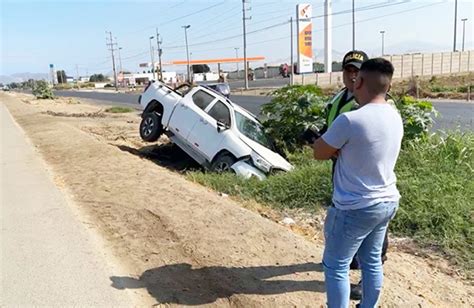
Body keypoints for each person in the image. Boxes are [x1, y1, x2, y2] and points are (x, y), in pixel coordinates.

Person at [312, 58, 403, 307]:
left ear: (360, 81)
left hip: (355, 206)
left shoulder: (351, 120)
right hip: (386, 201)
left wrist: (326, 144)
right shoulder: (395, 117)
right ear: (388, 86)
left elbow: (319, 152)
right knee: (372, 261)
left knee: (336, 265)